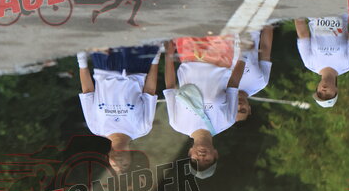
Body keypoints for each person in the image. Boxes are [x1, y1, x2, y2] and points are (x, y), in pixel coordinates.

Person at [164, 37, 246, 178]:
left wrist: (169, 55)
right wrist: (243, 54)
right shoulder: (227, 121)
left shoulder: (177, 124)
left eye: (196, 160)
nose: (201, 157)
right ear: (215, 154)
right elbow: (233, 84)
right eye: (207, 160)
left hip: (188, 54)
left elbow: (170, 87)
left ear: (190, 153)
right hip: (221, 54)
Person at [77, 45, 161, 170]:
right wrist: (155, 60)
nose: (119, 162)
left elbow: (88, 91)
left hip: (104, 66)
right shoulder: (142, 129)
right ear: (131, 157)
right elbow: (149, 91)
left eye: (115, 165)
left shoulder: (96, 128)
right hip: (136, 66)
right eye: (125, 165)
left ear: (108, 157)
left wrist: (82, 61)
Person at [294, 15, 349, 107]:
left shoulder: (309, 63)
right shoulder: (347, 64)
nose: (324, 91)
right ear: (336, 91)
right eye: (328, 95)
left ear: (317, 88)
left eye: (320, 93)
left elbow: (303, 35)